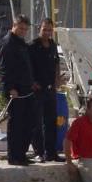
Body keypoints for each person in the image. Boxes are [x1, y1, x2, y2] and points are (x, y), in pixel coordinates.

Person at [0, 16, 36, 166]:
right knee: (16, 125)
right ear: (14, 26)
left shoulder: (22, 44)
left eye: (26, 29)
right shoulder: (7, 43)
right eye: (20, 28)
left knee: (28, 123)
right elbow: (3, 69)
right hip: (15, 91)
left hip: (27, 90)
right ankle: (14, 156)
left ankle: (22, 153)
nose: (23, 32)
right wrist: (10, 88)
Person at [30, 19, 64, 162]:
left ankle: (51, 152)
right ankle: (39, 152)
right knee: (37, 122)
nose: (47, 33)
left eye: (50, 30)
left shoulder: (53, 45)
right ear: (40, 29)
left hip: (50, 89)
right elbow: (27, 66)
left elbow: (56, 63)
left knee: (51, 121)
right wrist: (32, 82)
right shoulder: (32, 46)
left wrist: (57, 79)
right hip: (37, 90)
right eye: (45, 30)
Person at [64, 95, 92, 160]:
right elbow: (67, 140)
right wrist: (69, 162)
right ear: (88, 109)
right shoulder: (79, 122)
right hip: (83, 158)